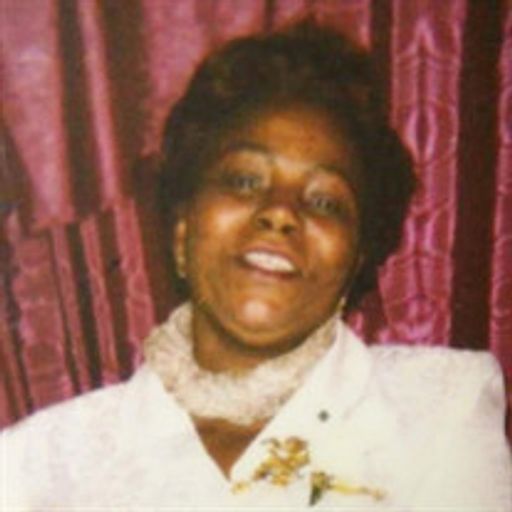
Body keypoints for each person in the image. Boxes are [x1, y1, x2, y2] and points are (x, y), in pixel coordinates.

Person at [1, 20, 511, 510]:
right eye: (244, 181)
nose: (281, 213)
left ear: (357, 260)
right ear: (182, 230)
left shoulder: (441, 410)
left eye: (325, 201)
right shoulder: (36, 465)